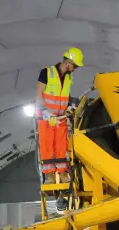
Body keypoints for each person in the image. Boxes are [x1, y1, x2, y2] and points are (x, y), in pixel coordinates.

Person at [36, 47, 82, 184]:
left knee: (62, 145)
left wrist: (70, 106)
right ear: (68, 62)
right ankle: (50, 175)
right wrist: (45, 112)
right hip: (46, 117)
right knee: (47, 145)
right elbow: (39, 94)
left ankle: (62, 172)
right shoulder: (46, 72)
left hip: (61, 117)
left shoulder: (69, 77)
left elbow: (65, 95)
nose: (74, 70)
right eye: (74, 66)